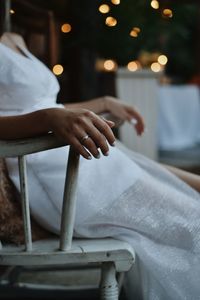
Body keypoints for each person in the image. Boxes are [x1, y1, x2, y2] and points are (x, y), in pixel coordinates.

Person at [1, 32, 200, 300]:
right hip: (51, 170)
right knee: (191, 221)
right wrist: (48, 119)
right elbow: (45, 112)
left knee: (189, 200)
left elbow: (44, 103)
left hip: (77, 156)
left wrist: (103, 103)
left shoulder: (15, 37)